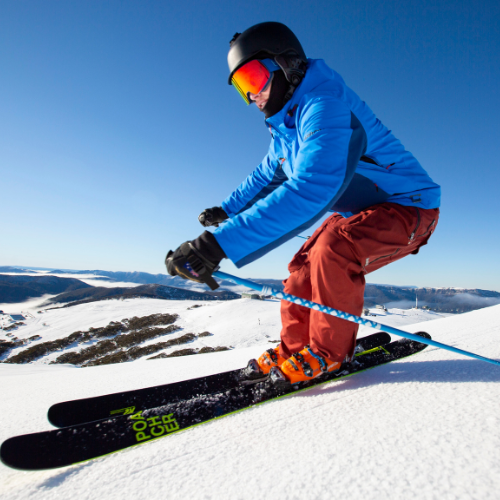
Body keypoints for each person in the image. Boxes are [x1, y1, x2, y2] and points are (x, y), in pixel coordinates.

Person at [166, 22, 441, 385]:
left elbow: (312, 188)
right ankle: (295, 348)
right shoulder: (286, 128)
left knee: (335, 249)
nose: (251, 97)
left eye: (252, 79)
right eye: (240, 88)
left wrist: (217, 244)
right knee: (301, 267)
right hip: (361, 212)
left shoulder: (325, 107)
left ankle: (329, 355)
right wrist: (227, 209)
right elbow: (265, 176)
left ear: (286, 64)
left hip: (411, 210)